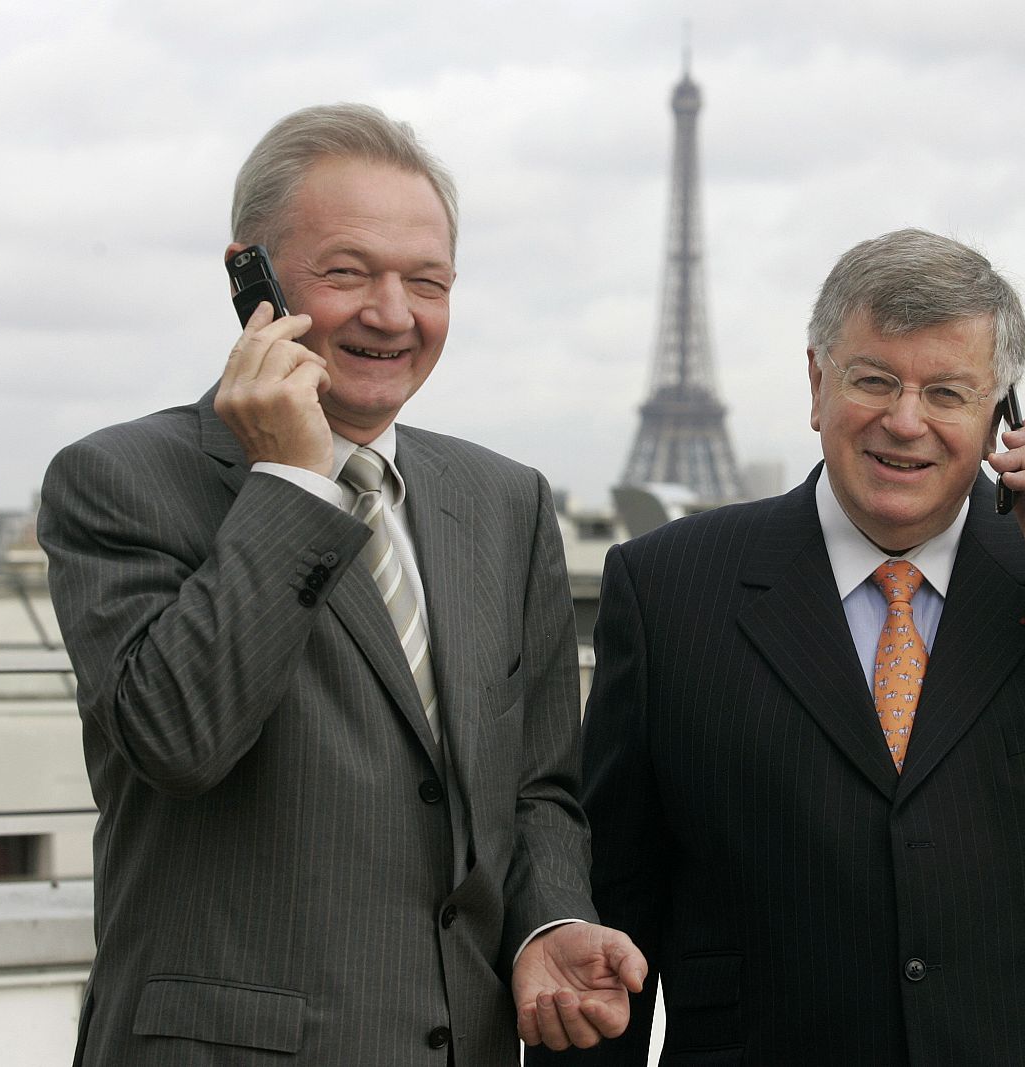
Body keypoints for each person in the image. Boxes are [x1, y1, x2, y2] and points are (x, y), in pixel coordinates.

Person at [531, 228, 1025, 1066]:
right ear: (817, 382)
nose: (905, 422)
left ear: (1000, 411)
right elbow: (612, 911)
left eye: (946, 393)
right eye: (874, 380)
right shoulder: (668, 586)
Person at [39, 102, 644, 1066]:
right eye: (348, 272)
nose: (393, 314)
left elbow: (535, 787)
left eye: (427, 281)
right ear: (254, 279)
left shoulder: (504, 501)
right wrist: (289, 480)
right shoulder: (118, 481)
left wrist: (545, 924)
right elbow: (178, 739)